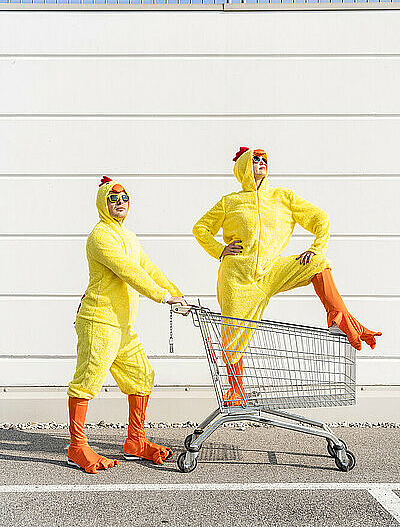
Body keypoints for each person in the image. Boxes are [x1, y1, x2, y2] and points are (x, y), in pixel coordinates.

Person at [192, 147, 381, 405]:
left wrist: (316, 247)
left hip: (272, 271)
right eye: (255, 159)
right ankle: (236, 389)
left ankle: (339, 317)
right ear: (244, 167)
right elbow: (200, 228)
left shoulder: (283, 196)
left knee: (318, 262)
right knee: (233, 334)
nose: (261, 163)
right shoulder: (229, 202)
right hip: (237, 277)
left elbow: (320, 218)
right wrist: (220, 250)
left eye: (264, 159)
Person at [67, 176, 187, 473]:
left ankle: (135, 441)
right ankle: (77, 447)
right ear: (102, 204)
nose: (119, 203)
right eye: (113, 199)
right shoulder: (100, 237)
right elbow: (129, 271)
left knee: (142, 375)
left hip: (123, 325)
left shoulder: (129, 237)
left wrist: (176, 293)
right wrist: (163, 298)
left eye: (124, 199)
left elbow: (148, 267)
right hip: (99, 321)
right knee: (88, 380)